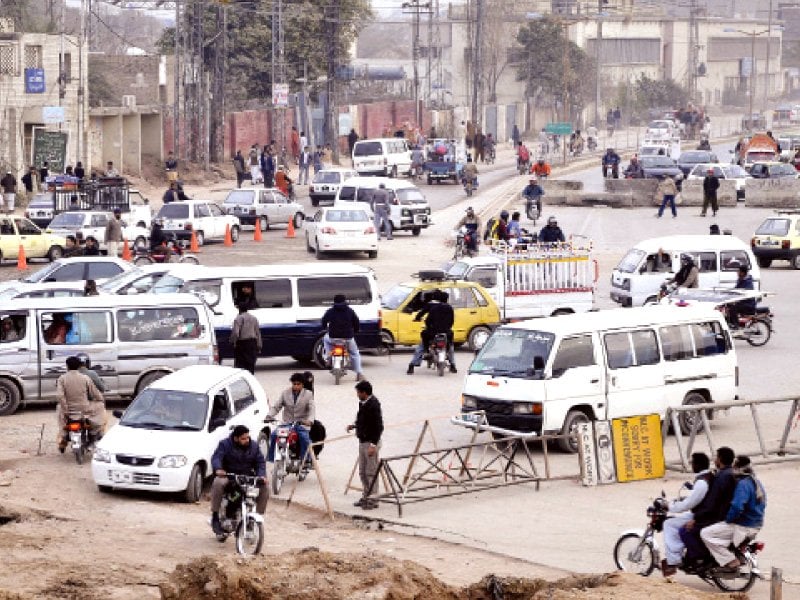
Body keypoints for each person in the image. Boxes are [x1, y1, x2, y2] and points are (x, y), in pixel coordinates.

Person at [701, 455, 766, 574]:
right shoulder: (756, 482)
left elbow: (737, 507)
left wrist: (728, 519)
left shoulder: (743, 485)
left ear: (738, 468)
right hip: (756, 524)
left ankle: (730, 561)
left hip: (743, 526)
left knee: (705, 534)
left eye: (734, 466)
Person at [679, 446, 738, 570]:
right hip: (727, 514)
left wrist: (697, 518)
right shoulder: (730, 473)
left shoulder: (720, 477)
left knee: (685, 531)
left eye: (716, 457)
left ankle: (700, 559)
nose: (714, 460)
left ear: (720, 459)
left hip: (718, 517)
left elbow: (712, 504)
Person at [661, 452, 713, 577]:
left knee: (669, 523)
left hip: (700, 516)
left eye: (693, 462)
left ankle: (673, 561)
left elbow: (688, 504)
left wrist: (670, 506)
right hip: (702, 512)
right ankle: (682, 553)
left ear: (698, 464)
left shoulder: (701, 482)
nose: (691, 465)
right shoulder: (707, 477)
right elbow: (695, 498)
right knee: (676, 522)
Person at [209, 425, 268, 535]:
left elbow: (260, 462)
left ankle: (257, 516)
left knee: (264, 487)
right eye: (243, 438)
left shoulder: (254, 446)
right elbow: (216, 457)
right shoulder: (225, 444)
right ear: (236, 438)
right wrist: (218, 469)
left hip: (246, 476)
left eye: (248, 437)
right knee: (218, 482)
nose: (247, 440)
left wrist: (261, 475)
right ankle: (215, 516)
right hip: (229, 475)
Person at [346, 380, 383, 510]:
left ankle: (373, 499)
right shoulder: (363, 403)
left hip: (370, 442)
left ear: (364, 393)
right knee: (362, 471)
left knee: (371, 472)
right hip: (362, 441)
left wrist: (373, 445)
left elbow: (378, 427)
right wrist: (354, 425)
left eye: (358, 392)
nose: (357, 394)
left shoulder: (374, 405)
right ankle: (366, 495)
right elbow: (363, 420)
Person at [56, 356, 105, 453]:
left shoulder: (62, 379)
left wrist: (65, 409)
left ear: (67, 366)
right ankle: (95, 433)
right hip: (84, 409)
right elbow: (95, 393)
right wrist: (100, 400)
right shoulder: (85, 378)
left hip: (68, 410)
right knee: (100, 406)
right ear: (79, 366)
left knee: (59, 409)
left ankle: (64, 435)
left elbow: (60, 396)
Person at [265, 373, 315, 465]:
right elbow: (277, 407)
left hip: (301, 424)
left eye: (298, 384)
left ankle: (306, 460)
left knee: (305, 439)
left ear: (302, 384)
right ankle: (272, 458)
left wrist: (309, 421)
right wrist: (269, 416)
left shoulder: (308, 394)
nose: (295, 386)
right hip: (286, 424)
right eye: (294, 384)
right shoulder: (285, 393)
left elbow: (312, 409)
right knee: (273, 435)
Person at [406, 289, 457, 375]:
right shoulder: (449, 308)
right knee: (450, 346)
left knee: (421, 347)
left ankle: (412, 365)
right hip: (446, 333)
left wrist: (427, 325)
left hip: (432, 333)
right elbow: (451, 322)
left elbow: (427, 320)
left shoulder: (433, 307)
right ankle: (453, 365)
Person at [321, 294, 364, 381]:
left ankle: (329, 357)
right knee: (355, 353)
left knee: (325, 339)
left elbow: (323, 321)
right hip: (348, 337)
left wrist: (325, 328)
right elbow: (356, 322)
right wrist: (356, 331)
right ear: (345, 301)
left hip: (333, 337)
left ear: (334, 301)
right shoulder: (350, 311)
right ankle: (359, 373)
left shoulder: (330, 311)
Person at [229, 303, 262, 374]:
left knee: (241, 366)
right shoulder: (254, 318)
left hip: (242, 344)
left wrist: (232, 341)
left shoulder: (238, 318)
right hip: (252, 343)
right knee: (251, 364)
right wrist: (259, 345)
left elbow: (235, 333)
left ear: (239, 309)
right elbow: (258, 333)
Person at [726, 265, 756, 329]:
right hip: (743, 302)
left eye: (738, 271)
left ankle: (736, 325)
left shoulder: (747, 282)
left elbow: (743, 293)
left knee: (733, 309)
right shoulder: (741, 279)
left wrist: (735, 298)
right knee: (728, 306)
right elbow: (736, 289)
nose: (737, 273)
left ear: (742, 273)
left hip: (748, 304)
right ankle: (730, 322)